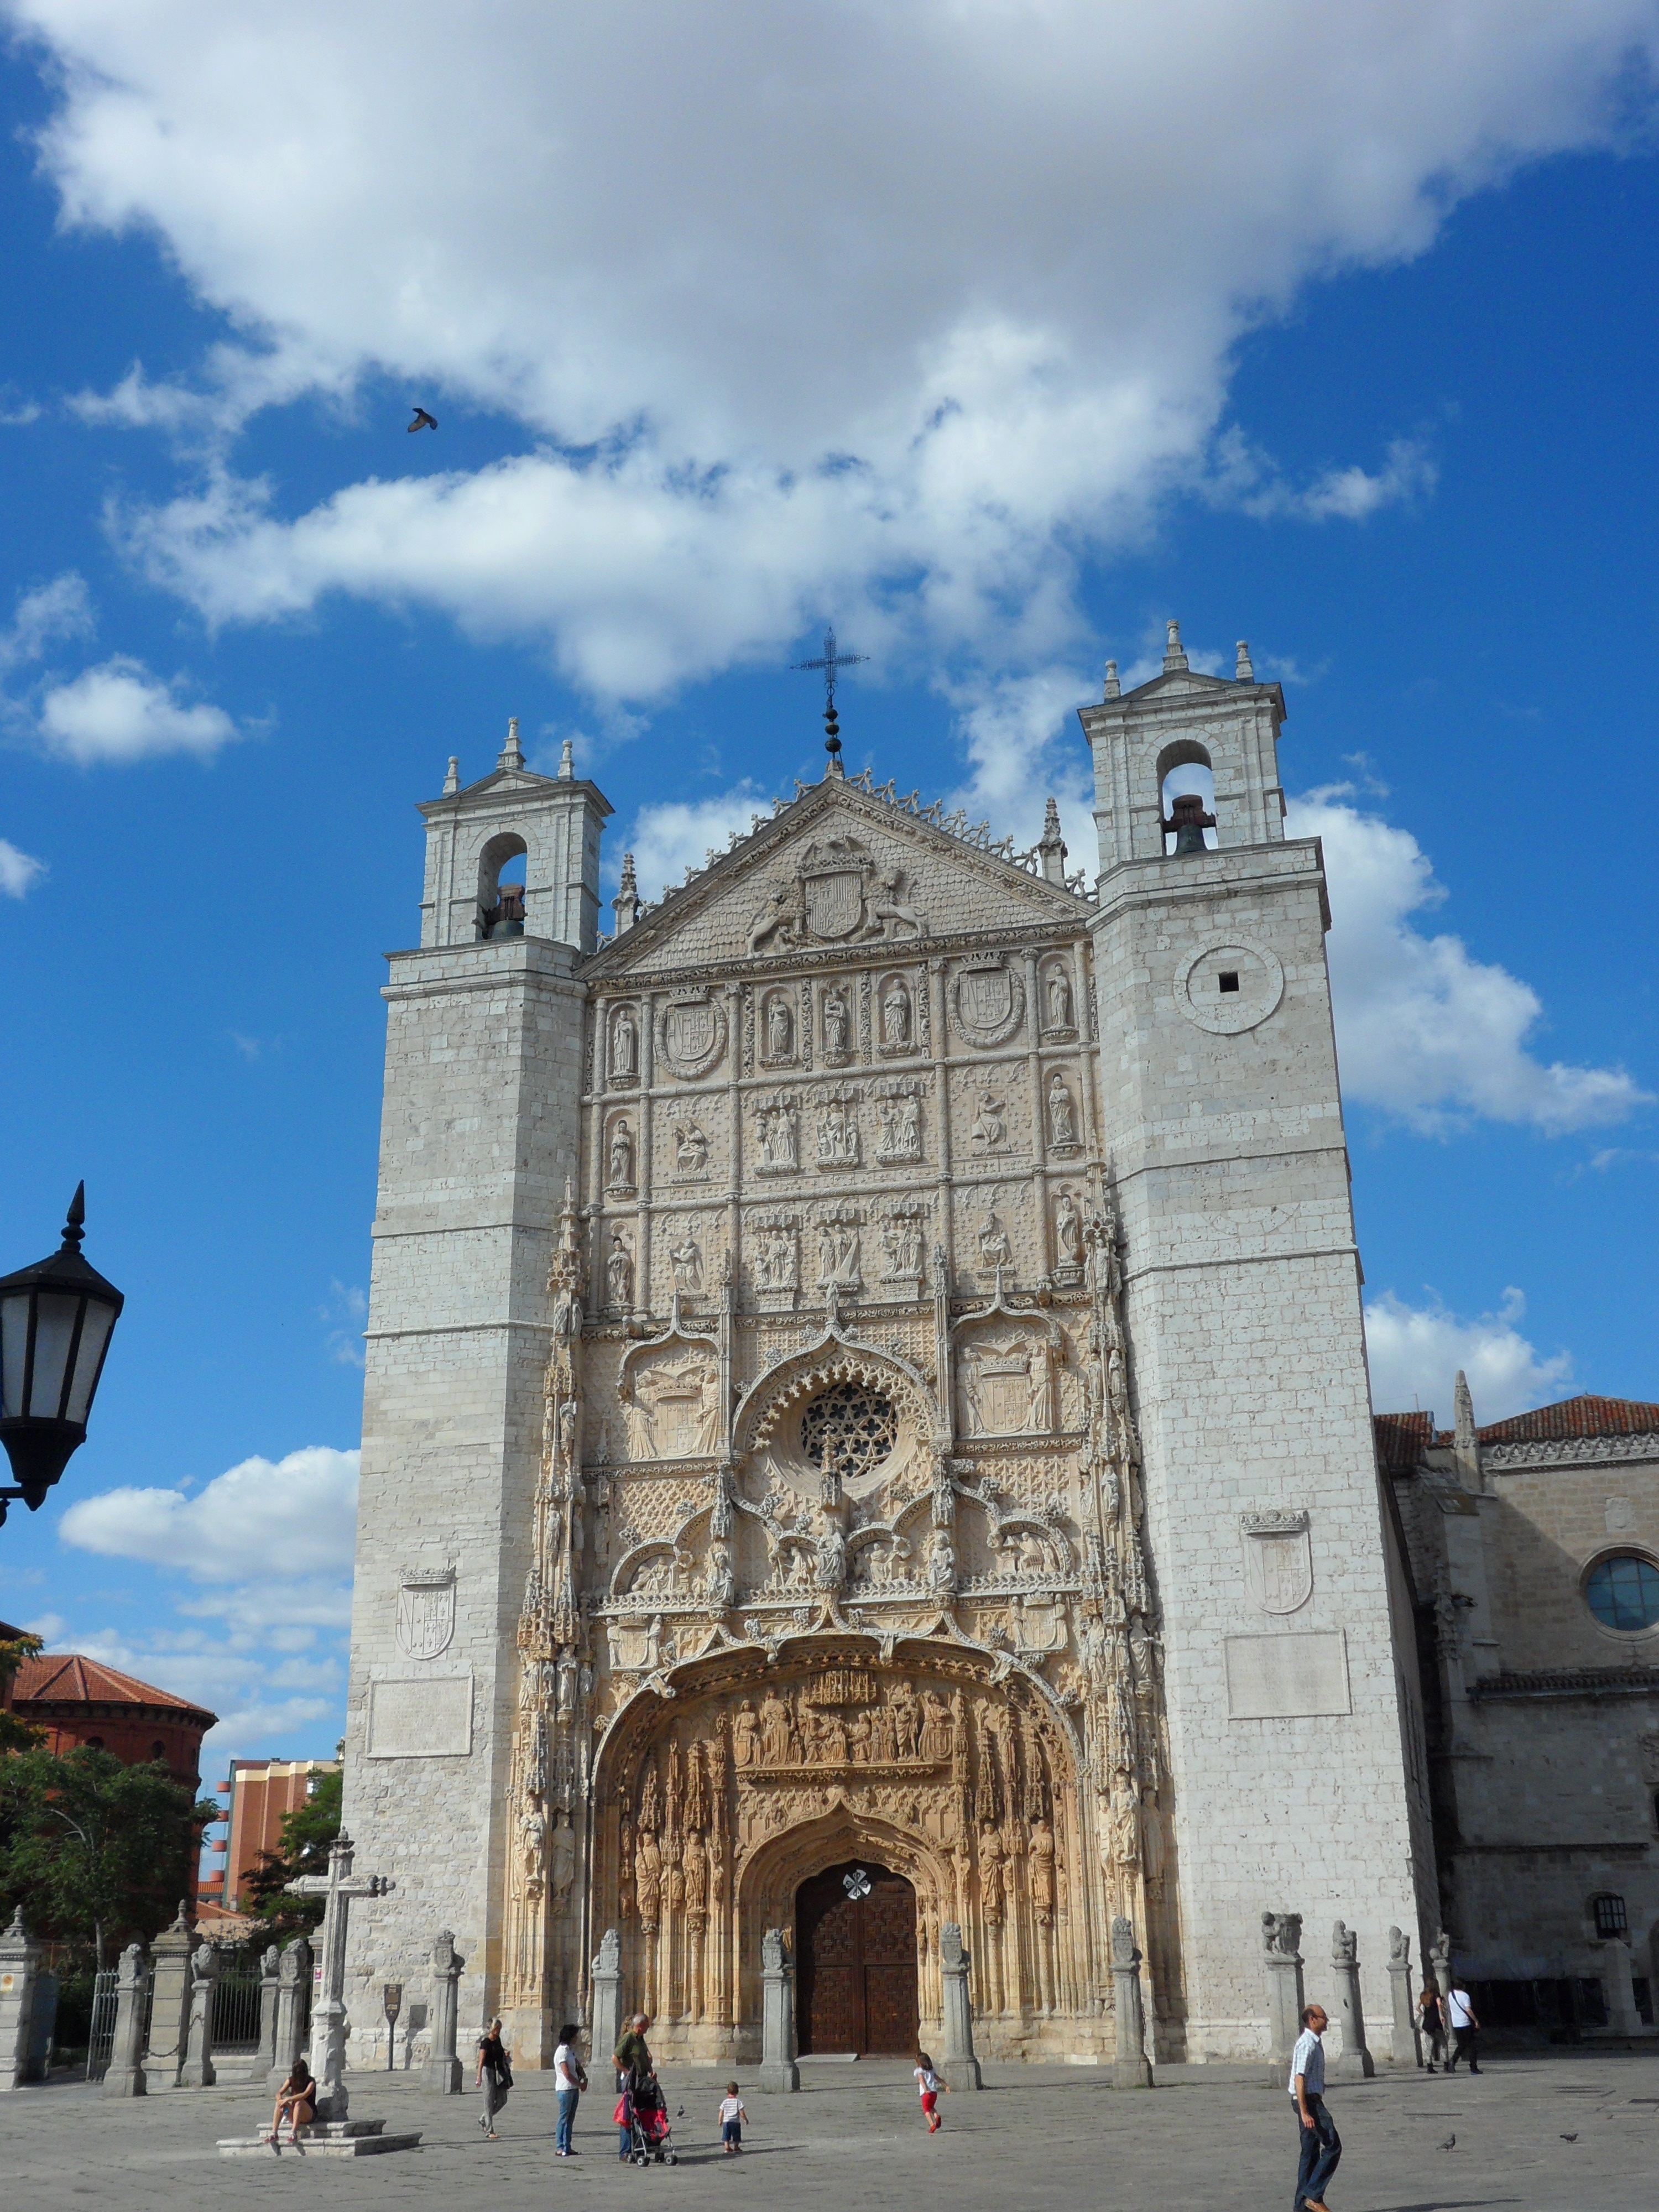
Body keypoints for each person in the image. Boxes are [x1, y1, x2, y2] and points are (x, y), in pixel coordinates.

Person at [1291, 2002, 1341, 2212]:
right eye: (1323, 2017)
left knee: (1310, 2154)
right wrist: (1305, 2112)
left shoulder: (1314, 2042)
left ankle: (1301, 2208)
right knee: (1333, 2145)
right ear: (1312, 2020)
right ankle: (1313, 2195)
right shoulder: (1307, 2044)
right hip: (1308, 2102)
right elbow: (1299, 2078)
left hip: (1309, 2100)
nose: (1326, 2020)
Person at [613, 2013, 653, 2162]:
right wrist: (626, 2071)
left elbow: (645, 2058)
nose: (649, 2027)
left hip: (642, 2081)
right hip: (631, 2081)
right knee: (628, 2115)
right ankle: (624, 2151)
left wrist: (651, 2070)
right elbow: (615, 2058)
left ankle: (639, 2147)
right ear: (640, 2025)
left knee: (640, 2114)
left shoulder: (640, 2039)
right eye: (647, 2024)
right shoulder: (629, 2038)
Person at [265, 2056, 316, 2144]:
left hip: (308, 2114)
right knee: (279, 2104)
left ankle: (293, 2133)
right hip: (294, 2112)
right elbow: (279, 2092)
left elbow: (304, 2094)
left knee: (299, 2103)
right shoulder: (291, 2080)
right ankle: (274, 2133)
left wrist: (289, 2099)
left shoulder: (311, 2081)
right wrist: (280, 2100)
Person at [554, 2021, 587, 2156]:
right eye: (575, 2035)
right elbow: (566, 2073)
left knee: (570, 2119)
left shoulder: (570, 2051)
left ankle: (568, 2146)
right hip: (565, 2089)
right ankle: (560, 2147)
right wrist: (580, 2084)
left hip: (573, 2088)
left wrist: (584, 2077)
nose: (577, 2038)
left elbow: (577, 2066)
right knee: (564, 2117)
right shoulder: (561, 2052)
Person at [476, 2017, 511, 2139]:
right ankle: (489, 2131)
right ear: (492, 2029)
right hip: (487, 2072)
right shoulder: (485, 2042)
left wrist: (505, 2053)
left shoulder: (498, 2040)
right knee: (489, 2101)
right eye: (497, 2028)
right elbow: (481, 2061)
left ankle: (483, 2119)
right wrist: (479, 2077)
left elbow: (499, 2052)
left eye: (500, 2028)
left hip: (498, 2072)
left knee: (502, 2100)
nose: (499, 2030)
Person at [1444, 1981, 1482, 2074]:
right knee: (1471, 2046)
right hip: (1465, 2023)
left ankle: (1453, 2060)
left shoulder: (1451, 1995)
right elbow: (1468, 2010)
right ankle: (1473, 2067)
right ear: (1463, 1986)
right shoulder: (1465, 1996)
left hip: (1456, 2024)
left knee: (1461, 2045)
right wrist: (1476, 2020)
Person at [914, 2051, 951, 2133]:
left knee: (926, 2110)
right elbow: (938, 2079)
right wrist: (946, 2086)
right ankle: (936, 2116)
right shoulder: (931, 2071)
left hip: (926, 2093)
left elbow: (922, 2081)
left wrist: (926, 2090)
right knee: (931, 2107)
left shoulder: (920, 2071)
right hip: (934, 2092)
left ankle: (932, 2125)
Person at [1418, 1984, 1447, 2073]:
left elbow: (1417, 2007)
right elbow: (1439, 2005)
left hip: (1427, 2024)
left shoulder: (1424, 1995)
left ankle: (1429, 2066)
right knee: (1443, 2044)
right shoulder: (1436, 1995)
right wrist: (1442, 2015)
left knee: (1429, 2046)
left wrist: (1424, 2015)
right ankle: (1446, 2065)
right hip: (1437, 2023)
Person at [717, 2081, 748, 2154]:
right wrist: (745, 2119)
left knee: (726, 2135)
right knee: (736, 2135)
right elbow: (741, 2112)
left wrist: (720, 2120)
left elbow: (721, 2112)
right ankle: (736, 2147)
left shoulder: (725, 2102)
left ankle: (727, 2147)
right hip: (735, 2122)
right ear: (737, 2092)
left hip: (726, 2122)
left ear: (727, 2091)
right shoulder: (738, 2102)